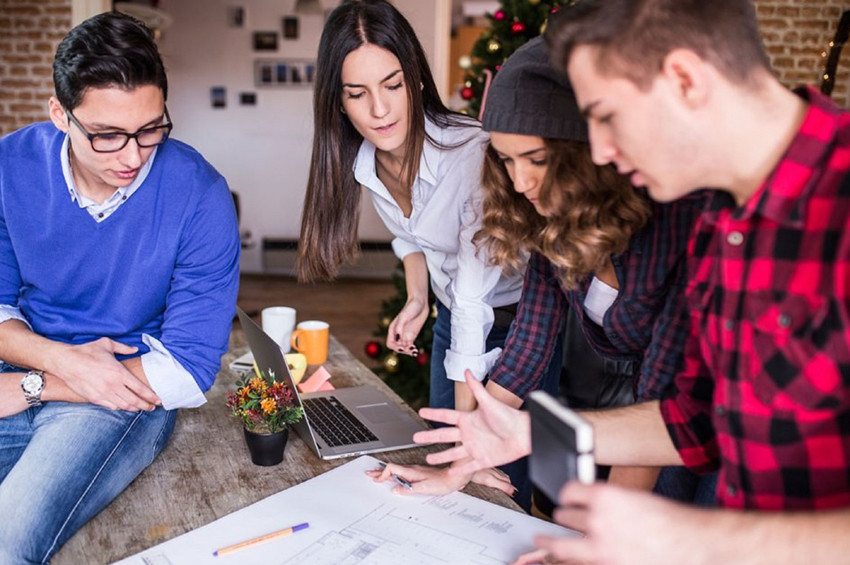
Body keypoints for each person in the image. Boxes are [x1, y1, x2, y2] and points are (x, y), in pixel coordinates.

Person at [415, 0, 850, 562]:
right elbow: (692, 420)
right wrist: (525, 436)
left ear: (684, 80)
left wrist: (692, 543)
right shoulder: (722, 218)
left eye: (605, 115)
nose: (599, 152)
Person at [368, 36, 711, 515]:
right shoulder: (551, 218)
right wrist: (459, 468)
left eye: (537, 160)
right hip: (653, 413)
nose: (520, 182)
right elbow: (529, 343)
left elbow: (665, 397)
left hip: (720, 418)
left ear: (588, 151)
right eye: (506, 161)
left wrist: (598, 539)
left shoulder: (672, 223)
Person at [0, 12, 240, 563]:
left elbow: (187, 368)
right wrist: (58, 359)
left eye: (151, 129)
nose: (133, 156)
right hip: (24, 369)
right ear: (60, 114)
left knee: (8, 540)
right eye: (108, 136)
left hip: (121, 397)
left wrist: (41, 384)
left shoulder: (200, 194)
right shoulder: (10, 167)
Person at [298, 0, 549, 415]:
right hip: (451, 314)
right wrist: (418, 298)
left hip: (517, 325)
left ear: (414, 80)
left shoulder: (470, 156)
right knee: (445, 446)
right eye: (358, 94)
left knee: (493, 468)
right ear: (338, 103)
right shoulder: (366, 163)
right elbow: (409, 236)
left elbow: (474, 302)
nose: (379, 111)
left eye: (392, 85)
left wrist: (467, 438)